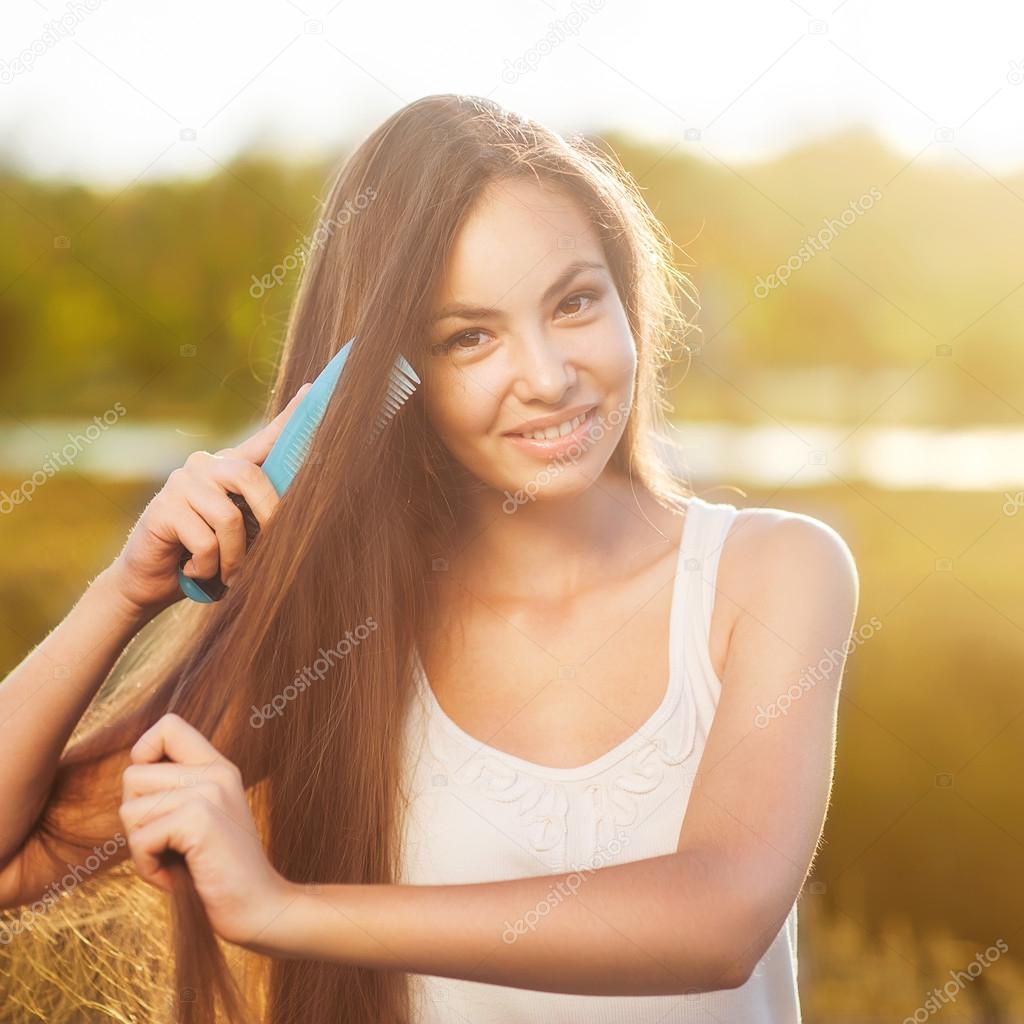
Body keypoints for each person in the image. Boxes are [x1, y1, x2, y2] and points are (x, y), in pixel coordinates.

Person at [0, 94, 858, 1023]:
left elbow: (720, 917)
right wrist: (125, 592)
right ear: (385, 380)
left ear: (628, 298)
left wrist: (286, 912)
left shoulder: (775, 573)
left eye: (574, 302)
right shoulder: (343, 639)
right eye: (469, 337)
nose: (546, 375)